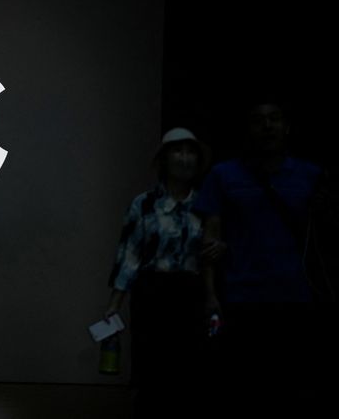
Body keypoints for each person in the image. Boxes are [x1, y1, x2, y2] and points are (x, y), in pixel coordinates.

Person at [195, 99, 330, 415]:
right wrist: (210, 295)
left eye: (274, 119)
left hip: (296, 297)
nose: (267, 126)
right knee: (243, 388)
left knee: (292, 388)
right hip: (241, 298)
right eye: (258, 120)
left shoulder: (309, 174)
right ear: (248, 128)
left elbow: (325, 237)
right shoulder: (223, 175)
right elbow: (209, 238)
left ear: (286, 127)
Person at [104, 128, 211, 419]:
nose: (184, 158)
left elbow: (210, 257)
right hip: (152, 293)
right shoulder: (144, 203)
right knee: (151, 371)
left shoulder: (205, 205)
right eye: (177, 151)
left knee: (188, 372)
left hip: (190, 294)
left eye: (190, 152)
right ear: (163, 158)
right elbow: (129, 254)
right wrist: (114, 305)